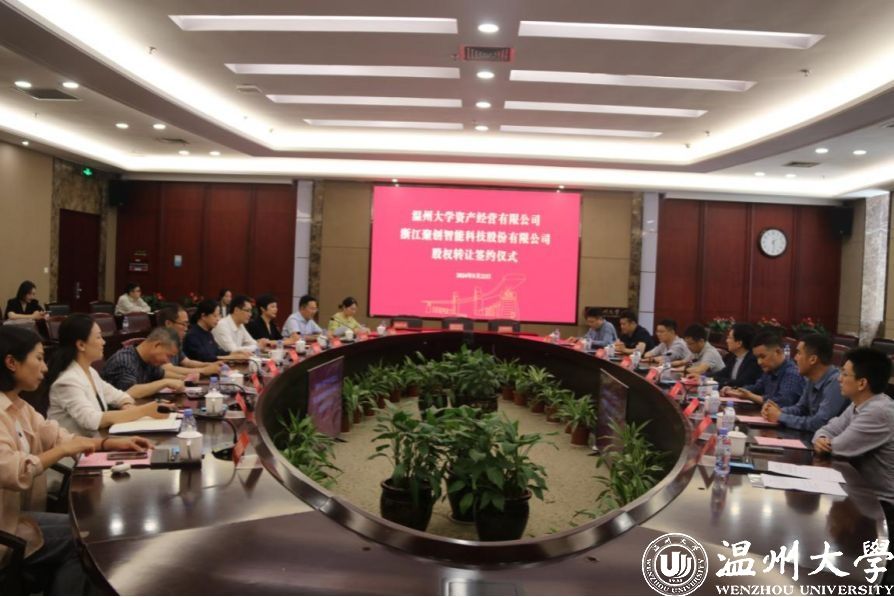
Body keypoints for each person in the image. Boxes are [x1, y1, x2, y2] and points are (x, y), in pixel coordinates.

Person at [0, 325, 151, 594]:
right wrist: (64, 450)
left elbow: (57, 435)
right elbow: (14, 471)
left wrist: (106, 443)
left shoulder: (20, 406)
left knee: (90, 530)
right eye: (38, 358)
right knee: (85, 542)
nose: (45, 367)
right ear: (11, 362)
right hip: (5, 528)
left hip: (15, 516)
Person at [813, 347, 894, 544]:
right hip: (861, 495)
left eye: (844, 374)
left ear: (862, 383)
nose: (839, 379)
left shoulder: (879, 411)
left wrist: (824, 443)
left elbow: (840, 448)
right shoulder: (859, 404)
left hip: (882, 505)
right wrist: (820, 438)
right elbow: (827, 429)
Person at [44, 314, 171, 436]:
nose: (103, 342)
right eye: (98, 337)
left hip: (96, 441)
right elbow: (91, 420)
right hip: (75, 449)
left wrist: (126, 405)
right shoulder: (67, 380)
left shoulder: (90, 371)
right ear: (81, 345)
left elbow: (121, 396)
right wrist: (142, 411)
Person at [762, 334, 846, 432]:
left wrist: (780, 416)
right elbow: (801, 409)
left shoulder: (836, 382)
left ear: (813, 359)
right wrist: (777, 411)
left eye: (799, 353)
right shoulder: (811, 378)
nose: (795, 358)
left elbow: (819, 423)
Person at [721, 331, 804, 407]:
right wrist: (735, 391)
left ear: (778, 352)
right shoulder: (769, 370)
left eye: (762, 357)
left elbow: (782, 402)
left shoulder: (792, 373)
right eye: (757, 357)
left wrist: (750, 396)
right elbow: (757, 388)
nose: (759, 362)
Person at [102, 327, 185, 398]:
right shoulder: (124, 361)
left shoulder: (149, 359)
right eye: (168, 356)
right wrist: (166, 382)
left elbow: (162, 374)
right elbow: (130, 392)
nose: (168, 361)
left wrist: (184, 379)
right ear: (156, 345)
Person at [158, 307, 222, 376]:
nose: (186, 329)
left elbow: (187, 362)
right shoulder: (158, 342)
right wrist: (204, 370)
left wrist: (209, 365)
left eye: (187, 325)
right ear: (168, 324)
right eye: (183, 324)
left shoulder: (175, 341)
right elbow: (168, 368)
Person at [182, 300, 251, 363]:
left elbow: (217, 352)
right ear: (203, 316)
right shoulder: (192, 335)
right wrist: (231, 358)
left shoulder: (208, 333)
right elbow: (205, 358)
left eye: (219, 315)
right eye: (215, 316)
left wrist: (234, 353)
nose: (218, 319)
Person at [714, 323, 761, 388]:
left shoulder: (753, 360)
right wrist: (704, 376)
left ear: (739, 343)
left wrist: (721, 380)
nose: (726, 341)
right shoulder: (733, 357)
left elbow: (741, 383)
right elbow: (720, 374)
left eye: (729, 338)